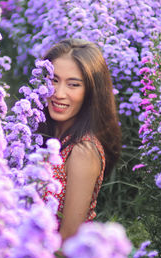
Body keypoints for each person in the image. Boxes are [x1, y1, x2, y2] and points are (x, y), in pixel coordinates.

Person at [39, 38, 122, 242]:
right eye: (53, 80)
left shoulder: (82, 151)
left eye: (73, 85)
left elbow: (68, 238)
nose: (58, 94)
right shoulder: (45, 133)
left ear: (91, 92)